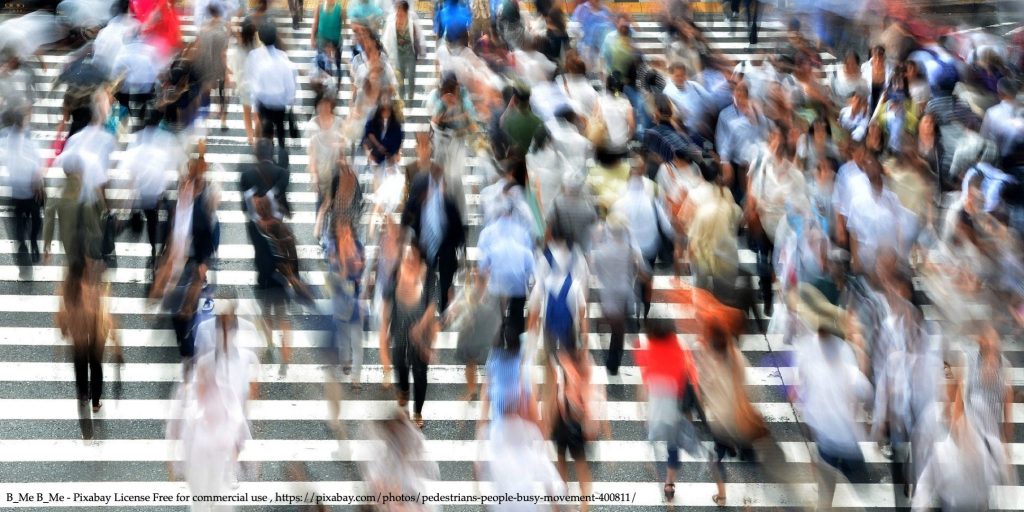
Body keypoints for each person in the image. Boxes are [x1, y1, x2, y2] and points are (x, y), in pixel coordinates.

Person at [636, 318, 702, 501]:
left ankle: (652, 456)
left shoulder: (646, 348)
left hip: (657, 406)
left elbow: (645, 381)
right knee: (673, 446)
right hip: (677, 407)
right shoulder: (680, 347)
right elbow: (691, 377)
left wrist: (642, 407)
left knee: (655, 433)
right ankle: (669, 483)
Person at [55, 261, 120, 439]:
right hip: (95, 334)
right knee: (96, 366)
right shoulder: (93, 286)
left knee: (81, 367)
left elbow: (62, 314)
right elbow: (104, 314)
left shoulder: (70, 289)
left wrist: (64, 328)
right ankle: (95, 401)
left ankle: (84, 396)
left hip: (80, 336)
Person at [379, 242, 439, 429]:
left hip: (421, 335)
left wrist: (421, 326)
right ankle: (403, 389)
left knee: (420, 373)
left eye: (413, 255)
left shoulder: (428, 275)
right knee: (399, 363)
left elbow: (432, 303)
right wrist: (385, 326)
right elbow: (387, 300)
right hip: (400, 329)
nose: (409, 259)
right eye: (406, 256)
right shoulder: (397, 271)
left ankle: (418, 411)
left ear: (420, 257)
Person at [401, 165, 466, 314]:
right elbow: (405, 221)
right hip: (423, 247)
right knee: (424, 280)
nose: (421, 198)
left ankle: (443, 308)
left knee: (445, 282)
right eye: (418, 196)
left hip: (446, 247)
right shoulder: (415, 203)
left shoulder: (446, 203)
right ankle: (423, 309)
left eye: (422, 195)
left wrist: (461, 250)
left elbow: (459, 229)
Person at [590, 214, 644, 375]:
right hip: (624, 291)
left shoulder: (600, 251)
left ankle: (611, 360)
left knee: (615, 326)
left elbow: (597, 272)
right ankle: (613, 363)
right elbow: (636, 269)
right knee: (618, 332)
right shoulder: (629, 250)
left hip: (608, 292)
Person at [1, 111, 45, 264]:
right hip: (29, 190)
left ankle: (23, 244)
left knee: (19, 220)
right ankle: (32, 241)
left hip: (17, 190)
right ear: (23, 122)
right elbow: (36, 162)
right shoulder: (24, 140)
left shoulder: (8, 137)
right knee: (36, 220)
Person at [245, 23, 297, 149]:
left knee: (265, 133)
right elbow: (289, 81)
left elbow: (251, 79)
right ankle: (282, 153)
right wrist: (291, 99)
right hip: (280, 103)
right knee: (280, 130)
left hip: (263, 103)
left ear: (261, 37)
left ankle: (267, 155)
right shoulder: (283, 56)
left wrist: (254, 102)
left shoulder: (253, 55)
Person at [383, 1, 424, 105]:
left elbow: (419, 34)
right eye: (397, 10)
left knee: (411, 77)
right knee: (400, 79)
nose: (398, 13)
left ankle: (410, 97)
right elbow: (386, 40)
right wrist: (387, 55)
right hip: (398, 56)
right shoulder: (391, 21)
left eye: (401, 11)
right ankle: (401, 99)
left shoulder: (412, 21)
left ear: (406, 12)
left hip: (410, 55)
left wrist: (422, 50)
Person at [310, 0, 344, 81]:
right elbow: (316, 22)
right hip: (322, 41)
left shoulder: (339, 8)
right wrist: (312, 38)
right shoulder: (320, 7)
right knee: (322, 64)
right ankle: (325, 81)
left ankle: (336, 74)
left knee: (335, 61)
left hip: (335, 41)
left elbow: (342, 25)